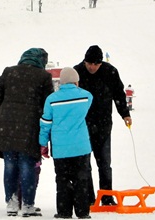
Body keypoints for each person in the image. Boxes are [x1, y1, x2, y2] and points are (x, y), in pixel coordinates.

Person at [0, 48, 54, 217]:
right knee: (27, 165)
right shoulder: (43, 76)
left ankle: (11, 204)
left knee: (10, 165)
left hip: (7, 124)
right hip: (30, 127)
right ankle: (27, 205)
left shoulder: (9, 72)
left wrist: (8, 107)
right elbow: (48, 104)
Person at [73, 45, 131, 207]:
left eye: (96, 64)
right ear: (84, 61)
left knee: (104, 163)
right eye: (89, 63)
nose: (92, 67)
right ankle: (89, 198)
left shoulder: (110, 72)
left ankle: (106, 197)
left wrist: (125, 114)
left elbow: (119, 94)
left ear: (101, 63)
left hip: (104, 125)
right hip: (82, 126)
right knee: (85, 164)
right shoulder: (76, 72)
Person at [39, 67, 93, 219]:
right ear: (76, 81)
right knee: (81, 179)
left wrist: (43, 144)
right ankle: (83, 212)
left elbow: (45, 124)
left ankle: (64, 212)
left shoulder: (51, 99)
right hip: (81, 146)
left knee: (62, 180)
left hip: (60, 148)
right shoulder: (86, 96)